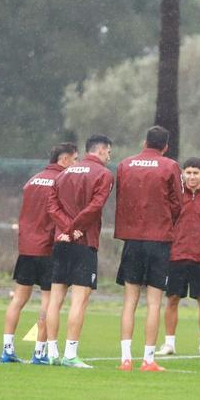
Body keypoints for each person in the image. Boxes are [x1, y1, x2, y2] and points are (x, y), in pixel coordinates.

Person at [113, 125, 183, 372]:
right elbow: (178, 202)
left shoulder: (124, 165)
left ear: (144, 143)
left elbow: (120, 197)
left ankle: (125, 359)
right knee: (154, 303)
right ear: (165, 146)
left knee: (129, 300)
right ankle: (148, 359)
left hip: (132, 239)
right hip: (159, 239)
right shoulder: (170, 166)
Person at [0, 142, 77, 364]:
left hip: (26, 248)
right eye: (75, 159)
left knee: (18, 299)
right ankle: (40, 352)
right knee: (49, 300)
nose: (77, 164)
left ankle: (7, 349)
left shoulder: (32, 180)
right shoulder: (63, 181)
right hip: (48, 248)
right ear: (64, 160)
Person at [44, 134, 115, 368]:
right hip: (84, 242)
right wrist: (76, 228)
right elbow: (95, 206)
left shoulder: (64, 172)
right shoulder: (104, 174)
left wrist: (65, 227)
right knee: (79, 301)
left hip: (61, 241)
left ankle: (51, 352)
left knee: (54, 300)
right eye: (109, 152)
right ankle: (70, 354)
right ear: (102, 150)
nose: (109, 157)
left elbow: (51, 206)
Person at [157, 157, 200, 359]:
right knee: (172, 299)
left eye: (195, 173)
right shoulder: (174, 196)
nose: (192, 176)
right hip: (175, 256)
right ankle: (169, 343)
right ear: (182, 174)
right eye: (188, 172)